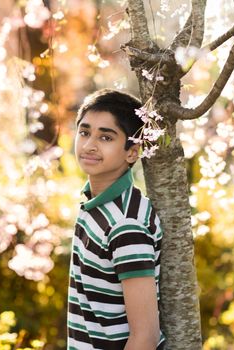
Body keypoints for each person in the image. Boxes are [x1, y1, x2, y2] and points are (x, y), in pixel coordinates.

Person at [67, 89, 165, 349]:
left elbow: (145, 336)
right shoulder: (94, 203)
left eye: (106, 137)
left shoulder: (125, 225)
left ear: (132, 152)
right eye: (85, 132)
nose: (89, 145)